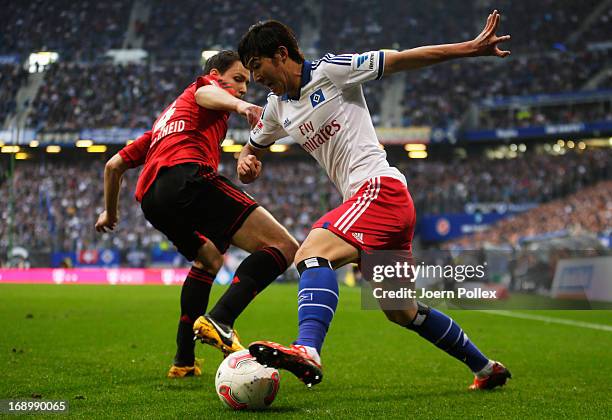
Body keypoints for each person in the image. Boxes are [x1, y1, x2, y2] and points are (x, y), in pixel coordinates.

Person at [236, 11, 512, 390]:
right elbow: (252, 146)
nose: (255, 78)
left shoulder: (331, 71)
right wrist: (246, 161)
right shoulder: (276, 107)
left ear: (281, 54)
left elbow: (400, 59)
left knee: (310, 254)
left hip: (379, 191)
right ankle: (486, 369)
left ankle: (308, 350)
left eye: (257, 66)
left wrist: (469, 49)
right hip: (379, 209)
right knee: (403, 312)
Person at [95, 50, 298, 378]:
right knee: (284, 247)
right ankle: (222, 318)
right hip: (188, 178)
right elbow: (204, 91)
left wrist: (110, 212)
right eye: (237, 79)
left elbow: (114, 166)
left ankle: (183, 360)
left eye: (247, 83)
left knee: (208, 259)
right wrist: (241, 106)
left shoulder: (163, 123)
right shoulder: (201, 92)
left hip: (152, 201)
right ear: (216, 75)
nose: (245, 88)